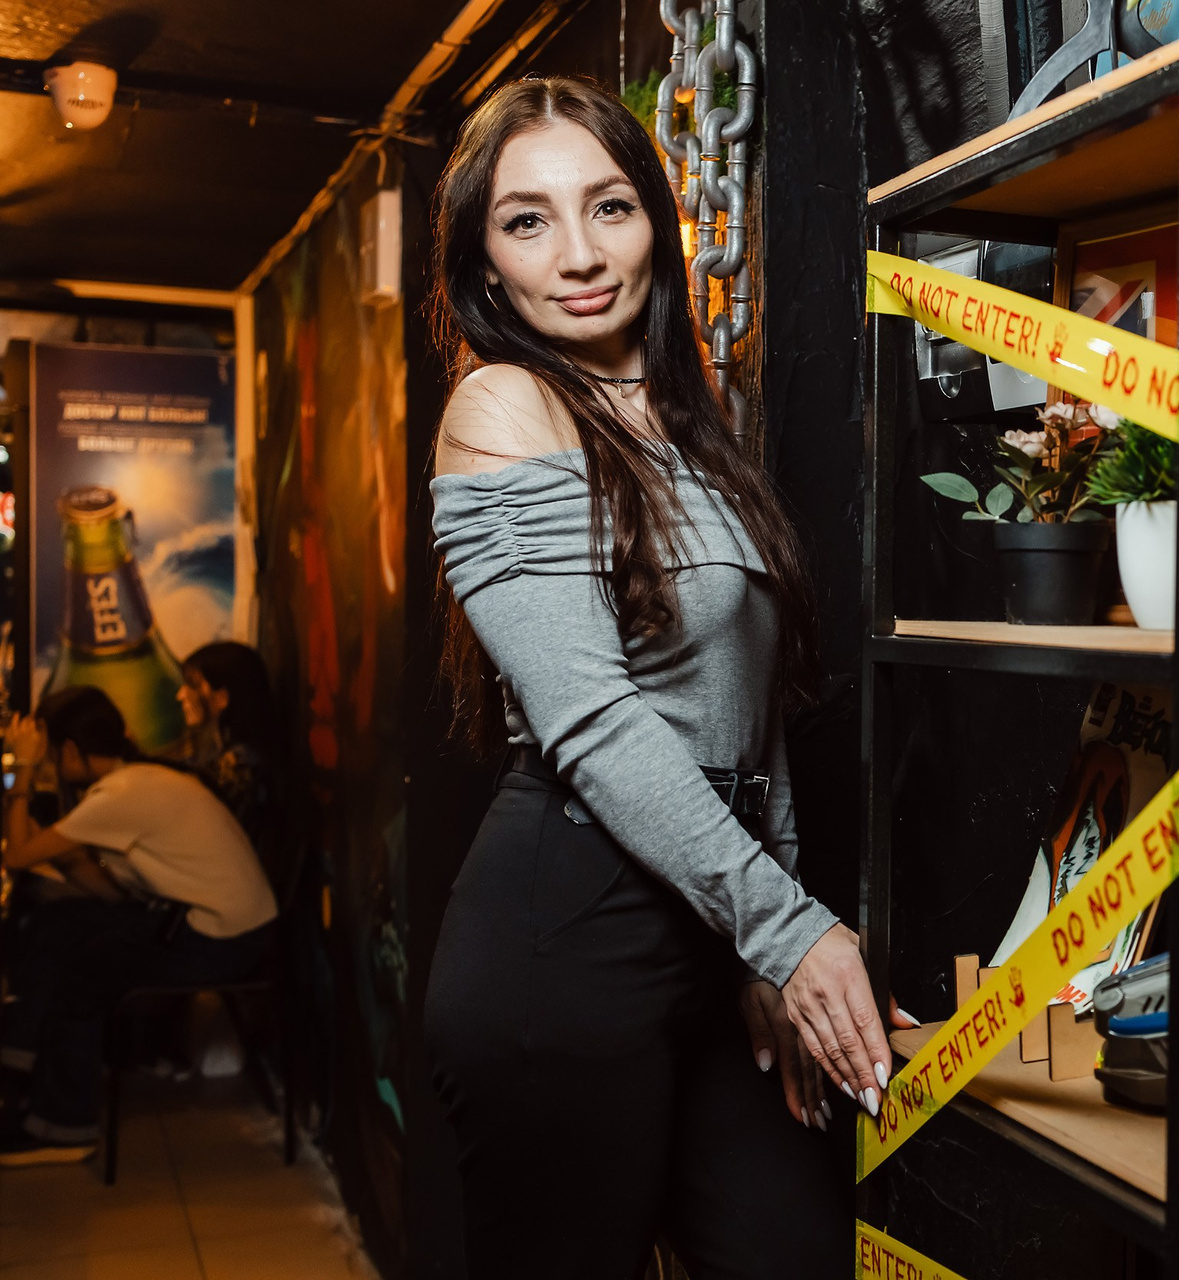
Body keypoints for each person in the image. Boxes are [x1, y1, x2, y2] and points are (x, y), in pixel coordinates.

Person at [421, 77, 903, 1279]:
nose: (579, 254)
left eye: (611, 206)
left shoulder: (690, 424)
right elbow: (592, 721)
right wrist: (792, 932)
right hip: (566, 927)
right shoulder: (503, 405)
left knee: (792, 1253)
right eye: (527, 220)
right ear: (486, 266)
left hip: (706, 915)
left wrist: (759, 946)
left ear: (656, 223)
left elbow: (752, 712)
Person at [0, 686, 276, 1165]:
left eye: (49, 754)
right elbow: (111, 892)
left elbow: (17, 856)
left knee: (83, 975)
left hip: (222, 939)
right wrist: (67, 855)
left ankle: (64, 1128)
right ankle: (21, 1063)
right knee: (61, 922)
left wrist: (22, 768)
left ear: (70, 750)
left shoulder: (121, 794)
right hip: (213, 924)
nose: (48, 765)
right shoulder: (135, 781)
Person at [176, 641, 278, 844]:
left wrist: (194, 733)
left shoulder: (240, 764)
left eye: (194, 685)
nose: (181, 695)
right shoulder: (225, 749)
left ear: (221, 698)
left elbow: (189, 812)